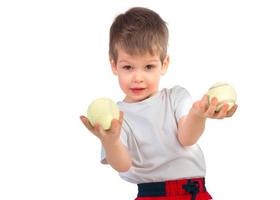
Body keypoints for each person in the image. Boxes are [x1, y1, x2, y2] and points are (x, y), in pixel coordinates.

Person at [80, 7, 237, 200]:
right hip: (151, 195)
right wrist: (110, 140)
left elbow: (187, 138)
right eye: (128, 67)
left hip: (194, 194)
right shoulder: (117, 115)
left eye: (148, 67)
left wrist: (197, 115)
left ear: (164, 64)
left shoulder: (176, 97)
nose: (138, 77)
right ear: (114, 66)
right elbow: (123, 164)